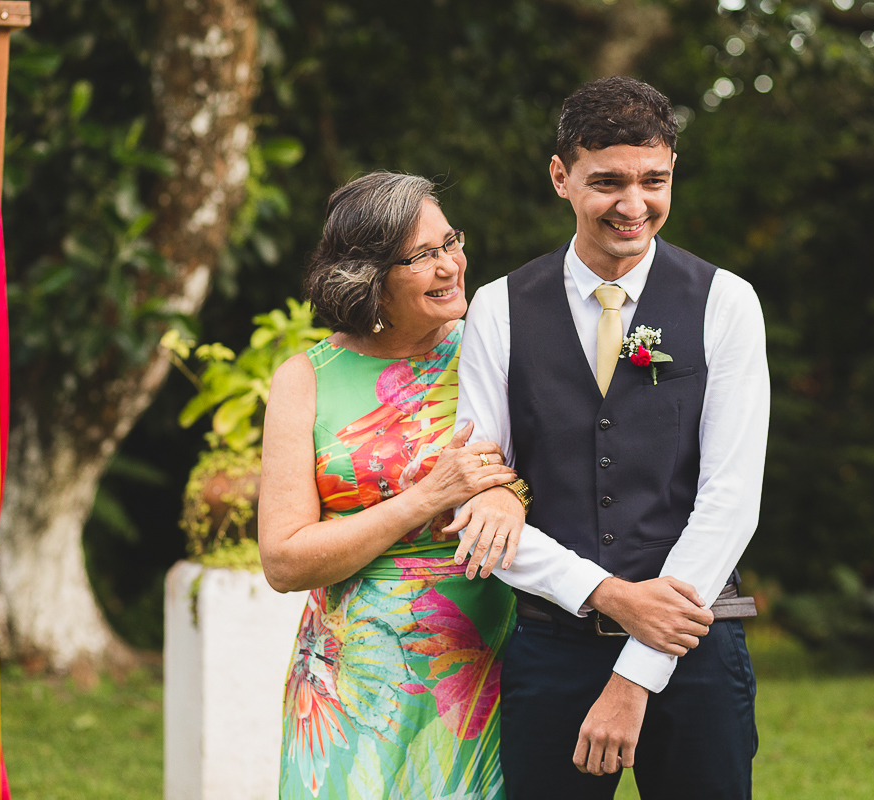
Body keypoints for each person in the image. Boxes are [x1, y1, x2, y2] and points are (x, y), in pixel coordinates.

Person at [452, 77, 770, 800]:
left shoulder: (726, 302)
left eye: (653, 180)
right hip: (551, 646)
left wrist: (636, 672)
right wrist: (608, 595)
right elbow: (481, 500)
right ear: (561, 176)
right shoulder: (498, 309)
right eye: (608, 182)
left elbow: (731, 500)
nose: (634, 206)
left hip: (693, 645)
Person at [258, 172, 522, 800]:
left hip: (487, 665)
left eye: (449, 241)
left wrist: (510, 493)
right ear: (367, 278)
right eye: (422, 256)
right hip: (353, 678)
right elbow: (285, 559)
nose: (451, 264)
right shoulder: (306, 381)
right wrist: (426, 497)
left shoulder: (499, 351)